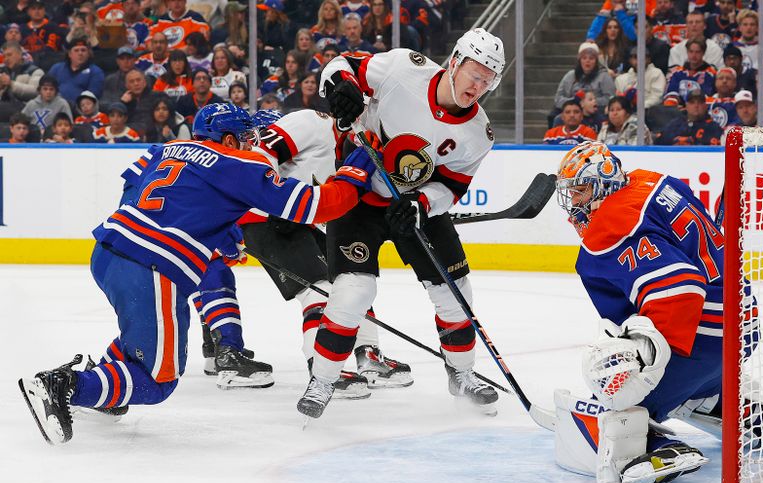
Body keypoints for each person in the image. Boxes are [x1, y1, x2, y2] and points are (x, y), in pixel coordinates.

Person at [17, 101, 374, 445]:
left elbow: (135, 187)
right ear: (230, 139)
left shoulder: (166, 148)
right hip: (152, 265)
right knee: (158, 380)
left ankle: (104, 384)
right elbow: (317, 205)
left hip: (108, 250)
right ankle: (68, 386)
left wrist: (216, 230)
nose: (252, 144)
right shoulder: (237, 163)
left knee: (145, 339)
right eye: (246, 137)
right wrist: (358, 165)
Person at [300, 28, 505, 419]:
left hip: (411, 207)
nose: (479, 86)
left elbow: (452, 186)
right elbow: (342, 66)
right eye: (475, 74)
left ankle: (461, 374)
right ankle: (323, 379)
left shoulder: (479, 134)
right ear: (456, 62)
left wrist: (421, 204)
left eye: (488, 80)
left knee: (455, 290)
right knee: (354, 291)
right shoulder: (402, 68)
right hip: (358, 193)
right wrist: (341, 87)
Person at [550, 141, 732, 483]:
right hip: (743, 319)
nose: (575, 203)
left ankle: (653, 447)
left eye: (582, 190)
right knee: (676, 367)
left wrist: (645, 360)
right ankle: (721, 402)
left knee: (607, 395)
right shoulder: (652, 181)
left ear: (605, 183)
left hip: (707, 337)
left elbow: (681, 289)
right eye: (571, 192)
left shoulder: (608, 230)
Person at [239, 108, 413, 397]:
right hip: (266, 219)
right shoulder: (311, 122)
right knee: (317, 291)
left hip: (305, 223)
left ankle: (367, 355)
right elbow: (257, 160)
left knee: (350, 282)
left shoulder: (359, 152)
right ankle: (321, 370)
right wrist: (273, 199)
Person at [552, 42, 616, 128]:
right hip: (572, 110)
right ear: (579, 60)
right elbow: (558, 98)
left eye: (591, 58)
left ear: (596, 61)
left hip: (595, 112)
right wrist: (575, 101)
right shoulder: (570, 76)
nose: (587, 61)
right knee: (557, 118)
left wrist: (590, 103)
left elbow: (610, 98)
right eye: (584, 58)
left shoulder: (604, 76)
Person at [47, 38, 105, 103]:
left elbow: (93, 96)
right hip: (55, 106)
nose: (80, 53)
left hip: (81, 109)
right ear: (69, 54)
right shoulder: (56, 68)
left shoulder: (95, 72)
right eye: (76, 50)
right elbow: (46, 88)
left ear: (88, 54)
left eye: (83, 50)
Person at [657, 89, 723, 145]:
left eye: (700, 102)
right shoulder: (675, 124)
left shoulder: (713, 127)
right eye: (692, 102)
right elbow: (659, 144)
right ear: (686, 106)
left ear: (706, 106)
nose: (696, 105)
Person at [663, 38, 717, 105]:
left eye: (697, 52)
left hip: (699, 109)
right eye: (691, 51)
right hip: (678, 111)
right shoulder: (677, 72)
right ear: (687, 52)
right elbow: (671, 94)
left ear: (703, 53)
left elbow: (708, 96)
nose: (694, 55)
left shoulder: (711, 74)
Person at [121, 68, 163, 133]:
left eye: (138, 80)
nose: (136, 84)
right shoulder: (124, 100)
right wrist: (123, 104)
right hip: (130, 134)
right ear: (127, 86)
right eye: (132, 81)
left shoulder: (158, 96)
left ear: (145, 82)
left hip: (154, 133)